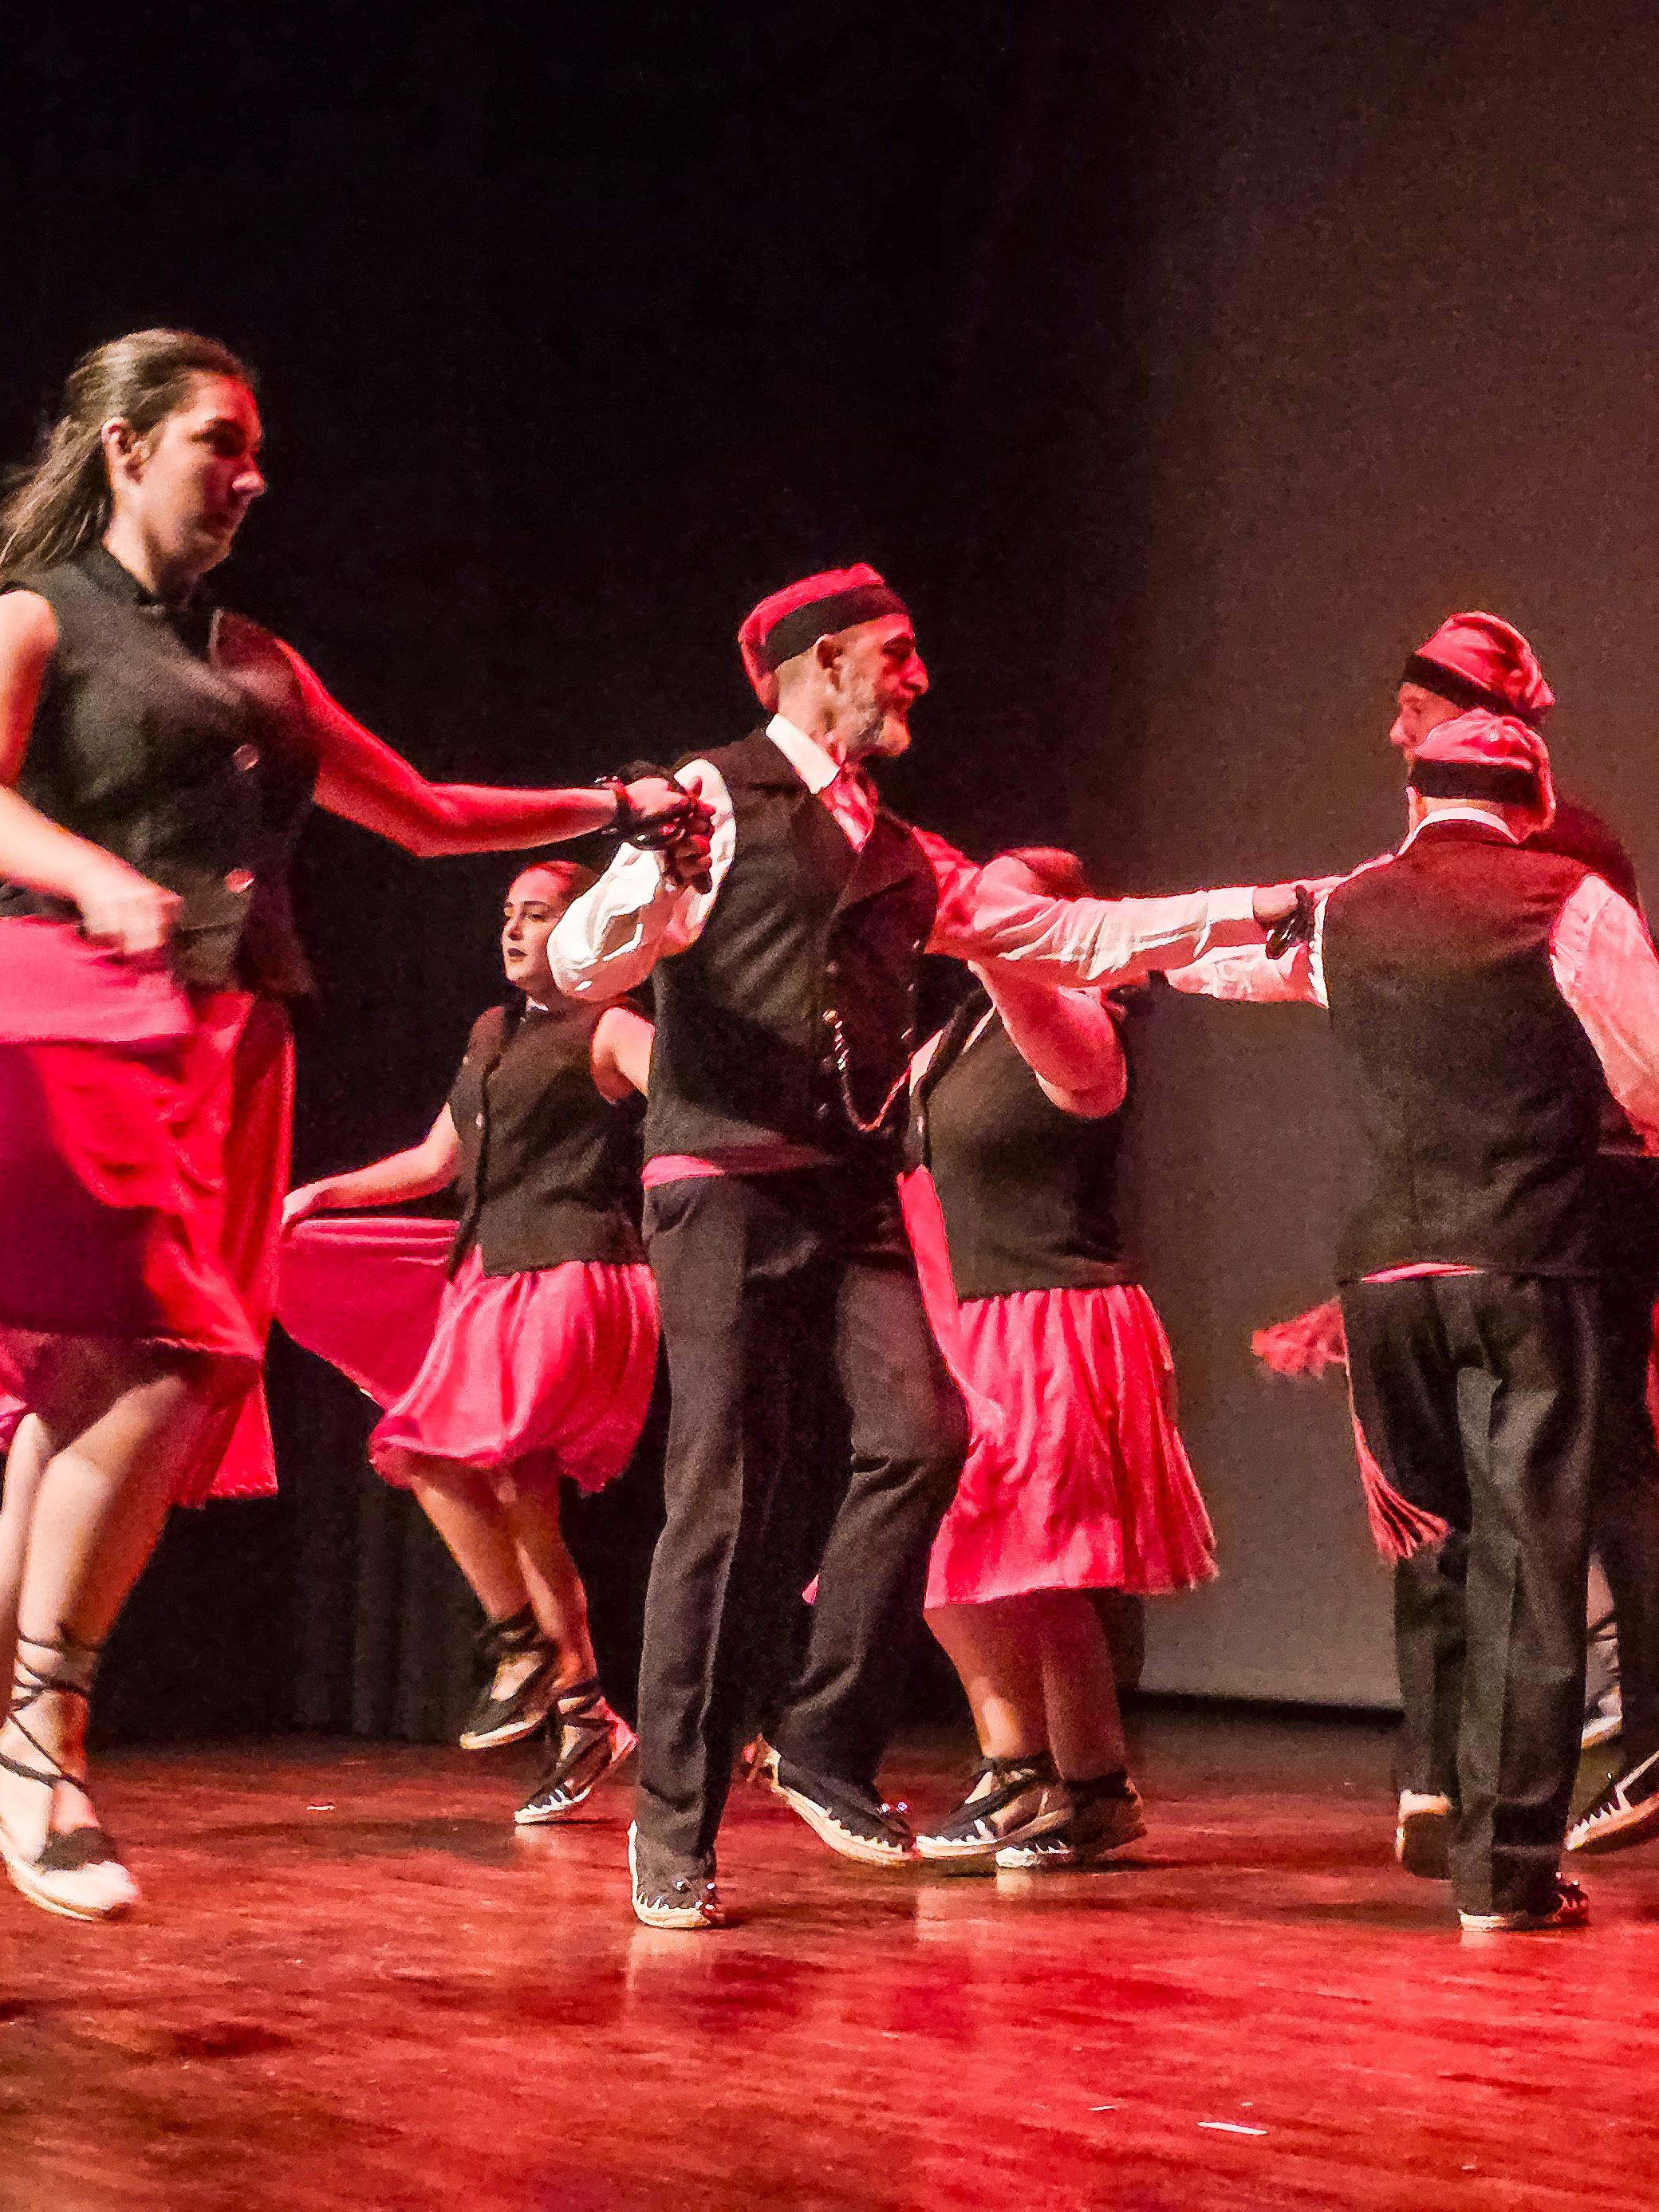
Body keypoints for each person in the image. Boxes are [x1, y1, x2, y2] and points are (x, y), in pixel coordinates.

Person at [0, 330, 688, 2021]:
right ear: (129, 447)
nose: (251, 473)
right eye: (221, 442)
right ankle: (36, 1743)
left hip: (230, 1044)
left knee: (87, 1428)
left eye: (258, 449)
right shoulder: (36, 617)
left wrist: (610, 802)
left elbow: (423, 814)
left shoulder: (265, 662)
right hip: (79, 1014)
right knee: (165, 1372)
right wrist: (101, 881)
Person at [550, 562, 1295, 1929]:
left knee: (928, 1434)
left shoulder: (906, 851)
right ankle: (675, 1825)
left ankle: (822, 1743)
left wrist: (1269, 911)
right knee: (721, 1498)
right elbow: (583, 968)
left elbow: (1075, 935)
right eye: (897, 653)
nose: (920, 677)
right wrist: (645, 863)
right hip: (719, 1176)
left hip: (850, 1185)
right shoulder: (712, 798)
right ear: (823, 664)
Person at [1235, 612, 1659, 1886]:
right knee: (1561, 1471)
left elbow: (1610, 1035)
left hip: (1557, 1190)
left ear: (1471, 714)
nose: (1394, 731)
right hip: (1524, 1195)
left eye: (1412, 708)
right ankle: (1579, 1748)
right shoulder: (1513, 855)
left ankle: (1629, 1737)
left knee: (1543, 1487)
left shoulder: (1544, 858)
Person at [278, 856, 659, 1825]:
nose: (515, 928)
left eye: (539, 915)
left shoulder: (613, 1027)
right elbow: (437, 1161)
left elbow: (694, 1117)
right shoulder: (492, 1032)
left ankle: (520, 1646)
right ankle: (580, 1707)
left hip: (575, 1272)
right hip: (491, 1276)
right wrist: (325, 1190)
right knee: (519, 1488)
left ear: (585, 931)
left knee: (427, 1449)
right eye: (509, 913)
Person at [896, 850, 1218, 1871]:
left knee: (991, 1554)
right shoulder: (958, 1033)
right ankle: (1085, 1784)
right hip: (964, 1316)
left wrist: (995, 930)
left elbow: (1030, 980)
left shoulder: (1083, 1023)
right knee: (1011, 1564)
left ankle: (1024, 1772)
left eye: (1011, 900)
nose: (984, 909)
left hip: (1049, 1317)